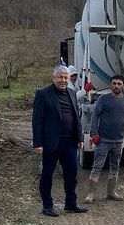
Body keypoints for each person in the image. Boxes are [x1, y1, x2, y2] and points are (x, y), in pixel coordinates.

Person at [32, 65, 88, 216]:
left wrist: (79, 138)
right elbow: (37, 120)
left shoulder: (71, 93)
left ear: (69, 79)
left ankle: (71, 204)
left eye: (66, 77)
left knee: (72, 174)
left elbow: (76, 118)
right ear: (54, 78)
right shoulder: (43, 94)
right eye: (60, 77)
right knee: (47, 175)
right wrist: (38, 143)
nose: (63, 80)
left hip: (69, 142)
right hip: (51, 143)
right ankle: (47, 206)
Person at [85, 74, 124, 203]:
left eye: (119, 84)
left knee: (115, 166)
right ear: (110, 85)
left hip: (118, 141)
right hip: (103, 140)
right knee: (97, 166)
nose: (116, 86)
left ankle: (111, 192)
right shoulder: (103, 99)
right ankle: (91, 194)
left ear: (123, 86)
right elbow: (95, 116)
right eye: (114, 83)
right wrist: (94, 133)